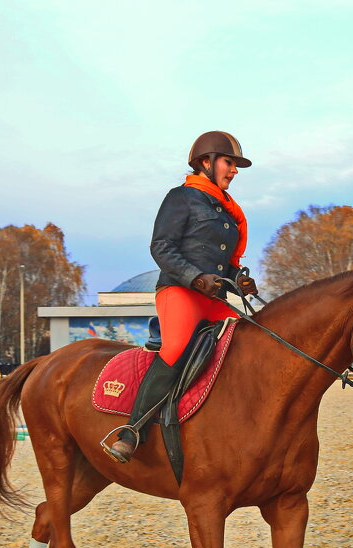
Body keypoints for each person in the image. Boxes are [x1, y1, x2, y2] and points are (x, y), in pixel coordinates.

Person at [105, 131, 258, 463]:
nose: (234, 171)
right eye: (229, 163)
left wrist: (238, 280)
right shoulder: (181, 197)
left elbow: (225, 264)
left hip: (214, 298)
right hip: (179, 290)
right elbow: (161, 247)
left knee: (251, 342)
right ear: (207, 162)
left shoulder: (228, 213)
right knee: (175, 348)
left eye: (235, 165)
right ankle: (132, 430)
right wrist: (195, 278)